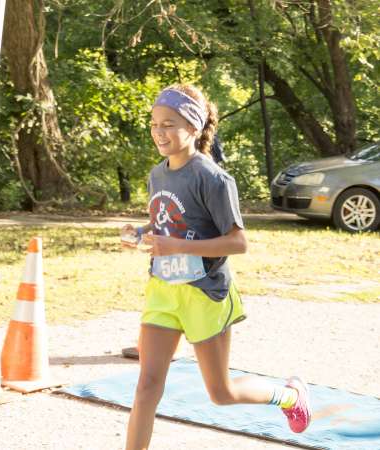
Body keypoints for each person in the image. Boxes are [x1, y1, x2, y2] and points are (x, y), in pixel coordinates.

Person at [121, 84, 311, 450]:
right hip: (164, 290)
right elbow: (167, 220)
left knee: (220, 393)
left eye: (169, 124)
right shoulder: (157, 174)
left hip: (205, 294)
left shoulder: (213, 178)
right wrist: (141, 232)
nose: (159, 132)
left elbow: (238, 242)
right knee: (146, 385)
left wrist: (176, 245)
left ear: (193, 127)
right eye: (154, 123)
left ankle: (289, 395)